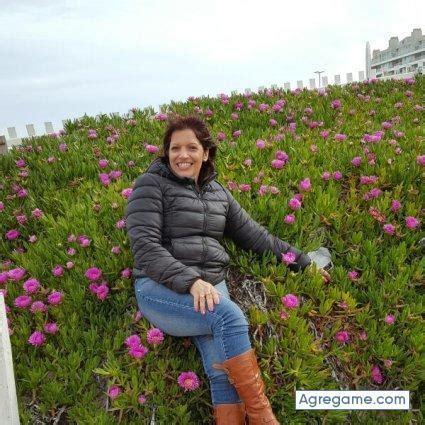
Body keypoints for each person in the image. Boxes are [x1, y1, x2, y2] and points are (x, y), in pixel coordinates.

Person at [125, 115, 330, 424]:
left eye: (191, 147)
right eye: (174, 148)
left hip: (210, 287)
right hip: (162, 289)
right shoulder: (150, 185)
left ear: (206, 153)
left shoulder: (218, 193)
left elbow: (256, 237)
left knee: (222, 370)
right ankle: (263, 418)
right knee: (229, 315)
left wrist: (303, 263)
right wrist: (190, 281)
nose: (182, 155)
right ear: (166, 153)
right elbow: (145, 247)